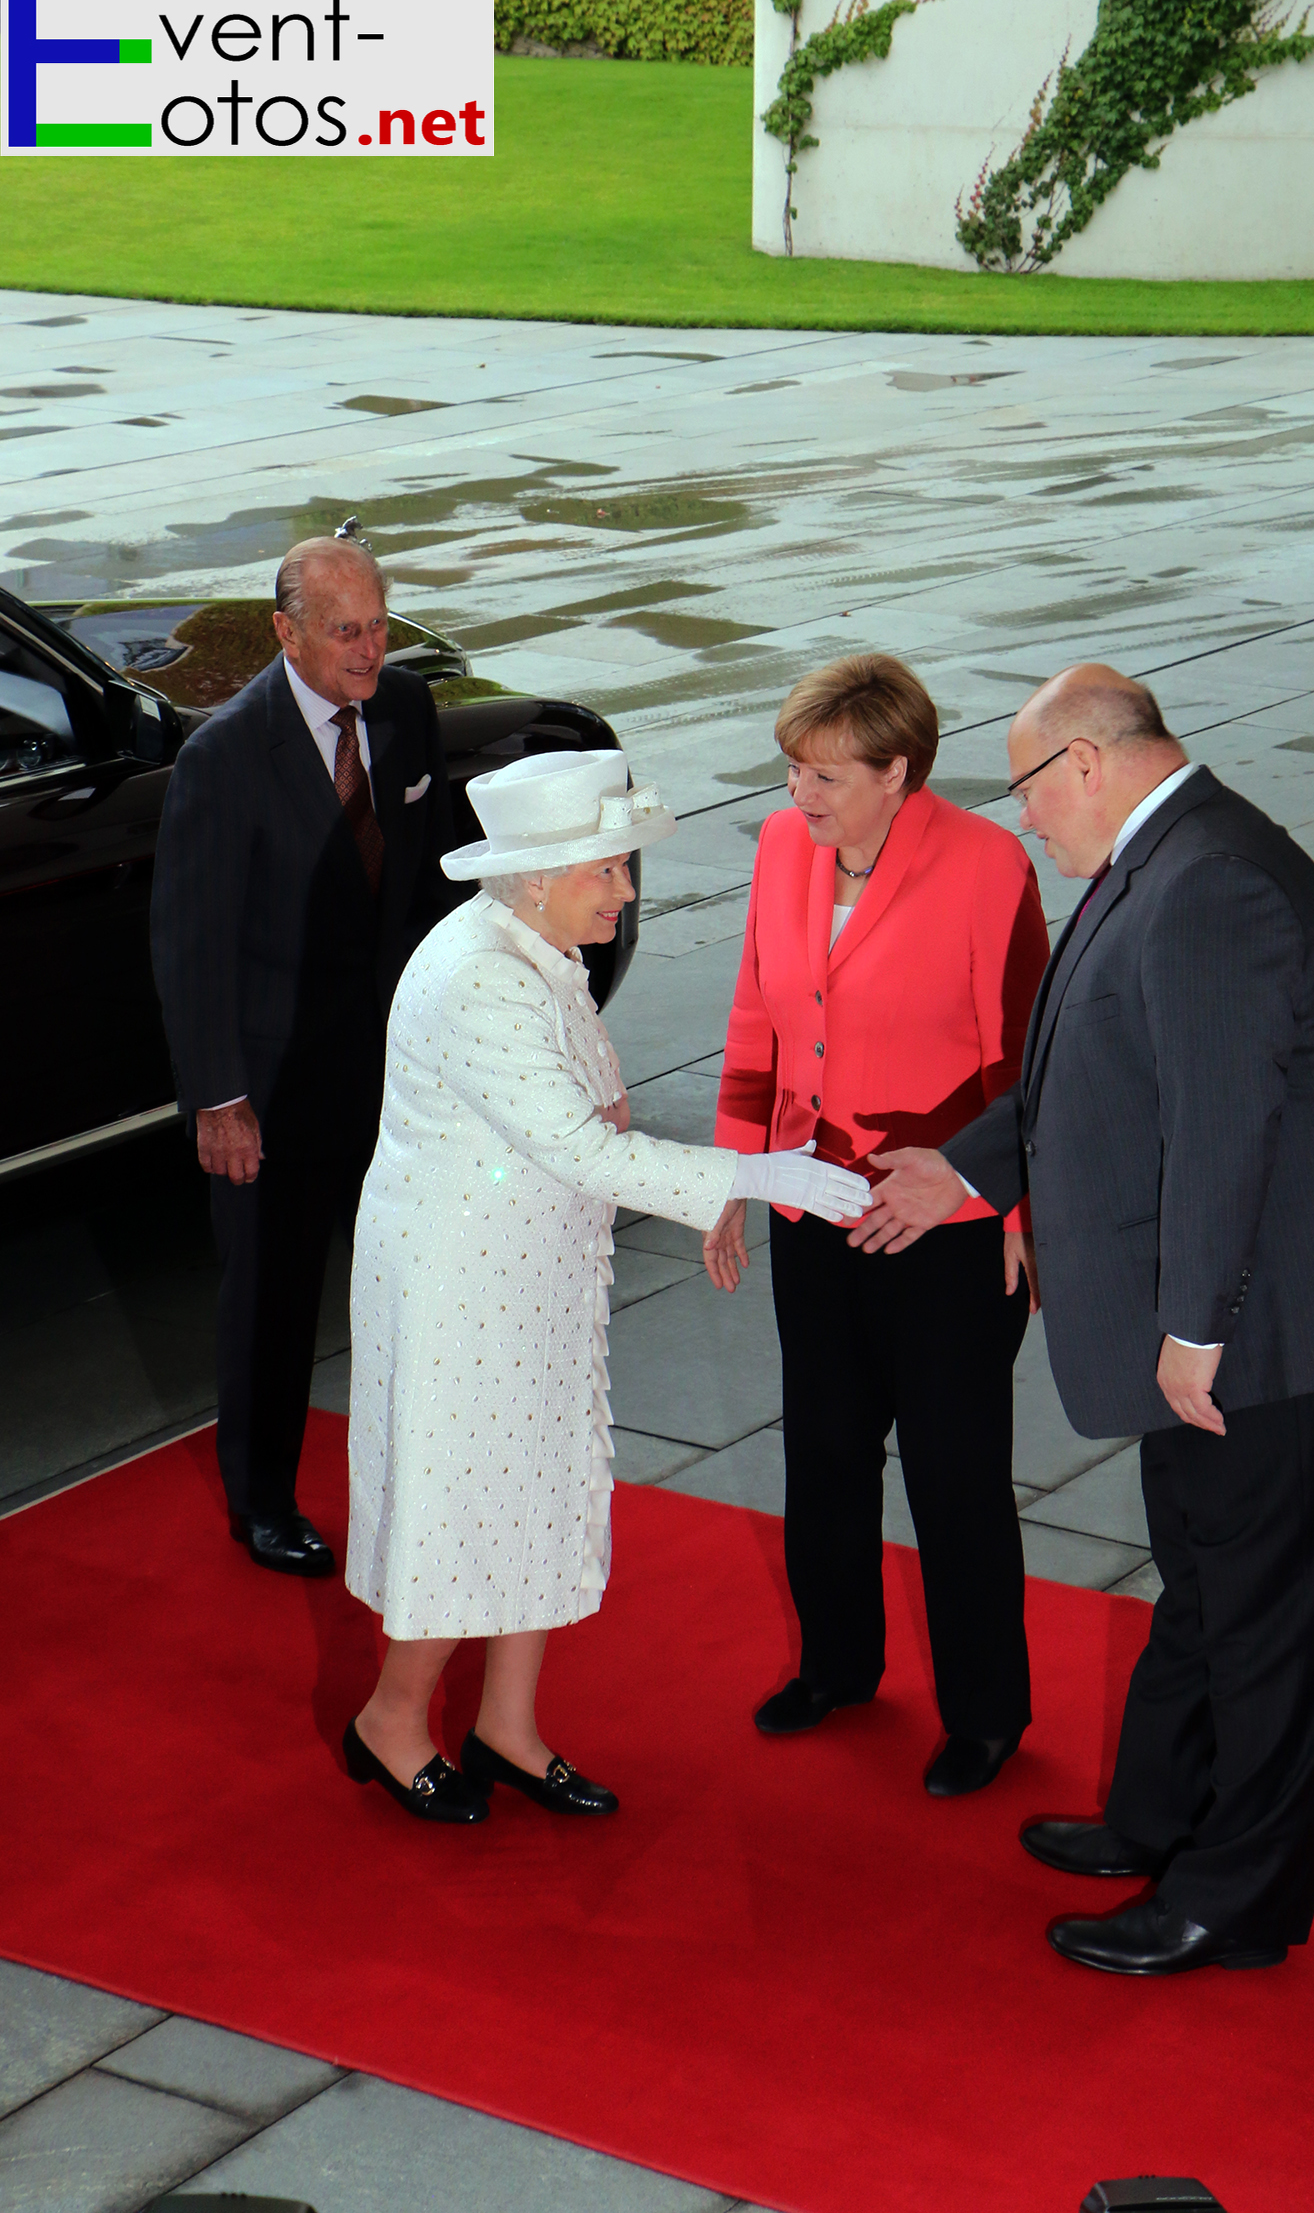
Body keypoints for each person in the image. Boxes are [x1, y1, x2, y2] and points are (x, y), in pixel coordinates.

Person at [850, 664, 1314, 1972]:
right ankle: (1159, 1818)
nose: (1022, 821)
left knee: (1272, 1620)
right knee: (1204, 1579)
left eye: (1022, 792)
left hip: (1285, 1333)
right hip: (1257, 1314)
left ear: (1083, 764)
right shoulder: (1161, 858)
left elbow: (1220, 1131)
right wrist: (962, 1164)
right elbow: (1095, 1071)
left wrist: (1192, 1328)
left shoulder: (1208, 887)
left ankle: (1232, 1901)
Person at [342, 750, 871, 1824]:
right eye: (613, 871)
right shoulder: (483, 974)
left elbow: (594, 1114)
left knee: (535, 1486)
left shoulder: (533, 943)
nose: (626, 894)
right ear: (541, 874)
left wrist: (659, 1146)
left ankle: (508, 1728)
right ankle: (391, 1722)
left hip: (528, 1272)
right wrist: (756, 1175)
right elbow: (582, 1149)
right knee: (462, 1505)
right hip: (462, 1290)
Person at [707, 655, 1051, 1797]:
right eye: (794, 769)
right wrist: (735, 1176)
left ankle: (987, 1713)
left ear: (898, 771)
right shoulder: (777, 850)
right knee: (827, 1449)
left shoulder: (988, 865)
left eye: (825, 775)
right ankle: (838, 1667)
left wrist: (1011, 1205)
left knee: (956, 1473)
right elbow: (757, 1012)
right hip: (818, 1197)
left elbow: (1026, 1059)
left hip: (942, 1216)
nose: (798, 795)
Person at [151, 536, 460, 1578]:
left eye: (379, 627)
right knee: (272, 1305)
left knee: (408, 1280)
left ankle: (419, 1474)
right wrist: (219, 1099)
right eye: (346, 633)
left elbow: (430, 883)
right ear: (286, 633)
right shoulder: (226, 757)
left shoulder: (408, 710)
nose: (370, 652)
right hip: (273, 1091)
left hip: (389, 1076)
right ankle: (263, 1504)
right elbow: (190, 948)